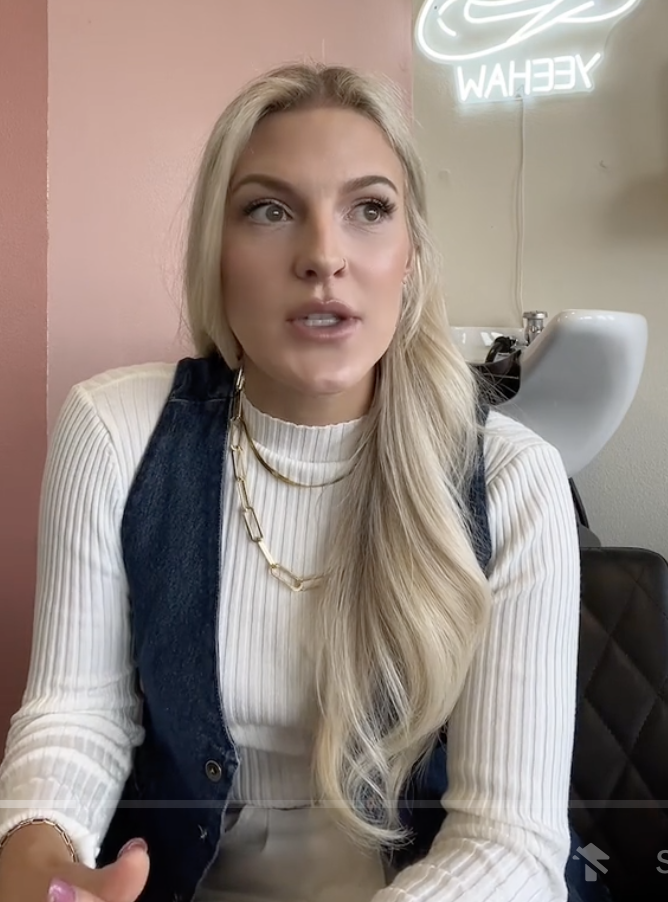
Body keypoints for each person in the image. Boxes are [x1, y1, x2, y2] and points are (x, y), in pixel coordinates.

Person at [0, 62, 600, 902]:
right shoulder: (113, 432)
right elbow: (79, 714)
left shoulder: (513, 479)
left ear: (411, 257)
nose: (323, 255)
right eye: (269, 210)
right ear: (218, 250)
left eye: (369, 210)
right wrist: (37, 852)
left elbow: (510, 840)